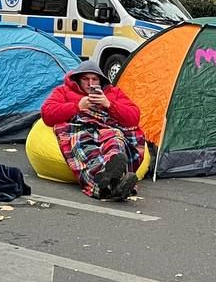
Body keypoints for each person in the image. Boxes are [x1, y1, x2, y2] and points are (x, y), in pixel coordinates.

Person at [41, 60, 147, 201]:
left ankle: (111, 176)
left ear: (100, 81)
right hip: (80, 127)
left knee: (115, 138)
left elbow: (134, 116)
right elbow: (47, 114)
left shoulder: (112, 93)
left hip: (107, 127)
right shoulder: (64, 91)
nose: (90, 84)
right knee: (81, 142)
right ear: (78, 79)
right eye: (85, 79)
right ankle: (115, 185)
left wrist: (109, 104)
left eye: (94, 79)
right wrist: (77, 106)